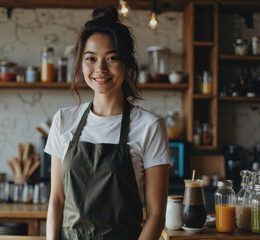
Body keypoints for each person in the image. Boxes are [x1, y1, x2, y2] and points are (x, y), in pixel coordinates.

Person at [45, 5, 172, 240]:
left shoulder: (150, 126)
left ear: (127, 64)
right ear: (81, 64)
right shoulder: (63, 119)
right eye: (90, 58)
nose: (100, 69)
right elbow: (57, 200)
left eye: (111, 58)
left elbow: (156, 215)